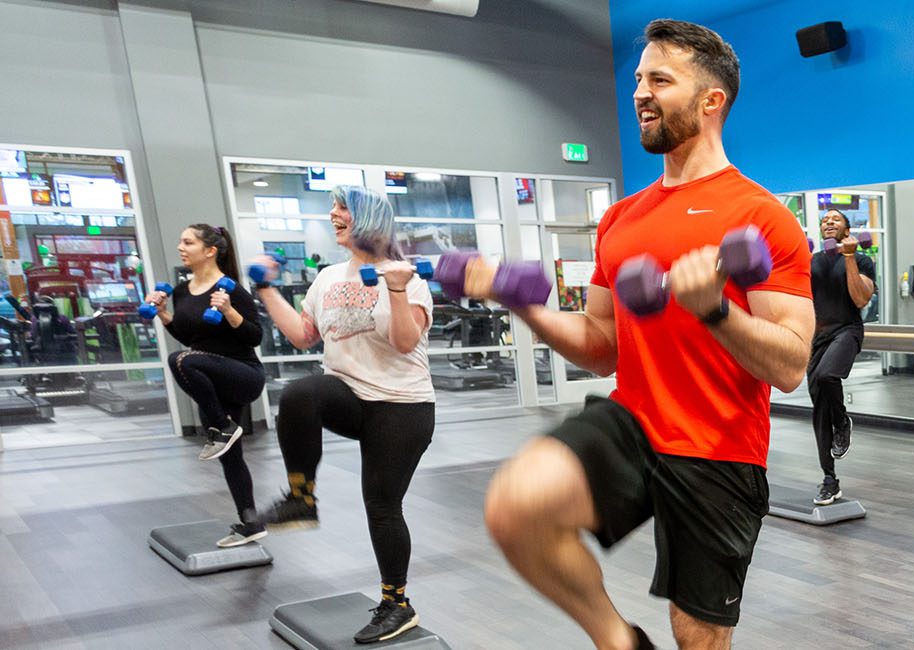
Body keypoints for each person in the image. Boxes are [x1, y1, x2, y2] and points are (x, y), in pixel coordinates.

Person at [481, 19, 813, 650]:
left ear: (712, 100)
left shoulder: (761, 216)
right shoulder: (621, 218)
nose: (640, 92)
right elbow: (601, 344)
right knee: (517, 506)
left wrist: (715, 310)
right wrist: (524, 308)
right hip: (633, 424)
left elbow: (791, 365)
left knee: (698, 636)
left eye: (661, 79)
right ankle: (618, 641)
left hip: (719, 448)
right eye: (638, 79)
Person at [250, 185, 437, 644]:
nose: (332, 214)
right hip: (350, 395)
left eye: (342, 208)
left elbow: (405, 342)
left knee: (382, 506)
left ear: (368, 218)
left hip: (402, 406)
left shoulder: (407, 276)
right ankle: (302, 497)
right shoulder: (329, 277)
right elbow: (302, 335)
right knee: (299, 395)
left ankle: (397, 603)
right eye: (332, 207)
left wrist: (394, 289)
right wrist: (265, 289)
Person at [148, 224, 268, 547]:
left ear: (210, 250)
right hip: (213, 376)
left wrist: (229, 310)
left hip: (243, 373)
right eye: (180, 241)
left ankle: (223, 426)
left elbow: (256, 337)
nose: (180, 247)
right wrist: (164, 315)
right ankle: (250, 522)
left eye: (188, 242)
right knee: (231, 457)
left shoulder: (232, 291)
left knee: (180, 360)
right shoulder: (182, 291)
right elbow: (193, 338)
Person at [806, 209, 874, 505]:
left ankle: (843, 422)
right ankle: (829, 479)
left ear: (847, 228)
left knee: (827, 375)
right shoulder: (813, 261)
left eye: (835, 218)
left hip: (847, 330)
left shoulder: (861, 260)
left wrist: (848, 256)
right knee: (819, 410)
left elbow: (861, 298)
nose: (829, 222)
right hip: (817, 338)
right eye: (825, 220)